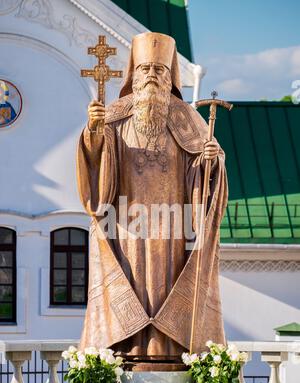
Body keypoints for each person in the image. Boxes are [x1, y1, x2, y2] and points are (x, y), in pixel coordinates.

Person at [77, 32, 228, 363]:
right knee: (133, 284)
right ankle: (126, 349)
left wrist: (211, 160)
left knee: (165, 287)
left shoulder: (188, 118)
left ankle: (172, 350)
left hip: (172, 230)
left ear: (170, 77)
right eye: (145, 68)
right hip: (127, 229)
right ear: (134, 72)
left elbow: (203, 174)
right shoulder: (114, 114)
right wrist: (94, 133)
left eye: (159, 70)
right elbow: (97, 170)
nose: (151, 76)